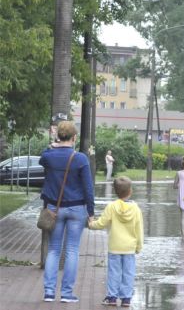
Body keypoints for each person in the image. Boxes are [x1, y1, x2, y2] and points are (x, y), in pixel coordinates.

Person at [41, 121, 95, 303]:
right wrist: (91, 211)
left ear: (58, 136)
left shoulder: (48, 156)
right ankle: (66, 294)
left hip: (54, 209)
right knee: (72, 250)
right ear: (74, 138)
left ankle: (49, 292)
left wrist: (53, 143)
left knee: (54, 250)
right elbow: (88, 187)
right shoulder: (80, 159)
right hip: (77, 208)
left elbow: (44, 156)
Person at [89, 177, 143, 308]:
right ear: (130, 191)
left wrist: (91, 224)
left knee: (114, 272)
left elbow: (101, 223)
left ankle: (112, 297)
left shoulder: (112, 206)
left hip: (114, 246)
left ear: (115, 191)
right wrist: (139, 246)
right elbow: (139, 229)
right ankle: (126, 299)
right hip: (129, 248)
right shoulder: (136, 208)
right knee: (128, 273)